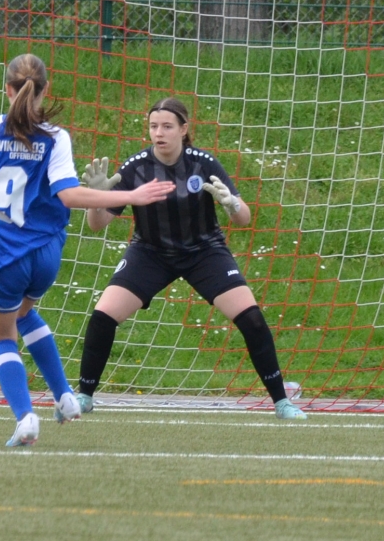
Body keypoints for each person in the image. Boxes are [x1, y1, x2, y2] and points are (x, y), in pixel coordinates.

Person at [0, 53, 173, 448]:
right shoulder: (55, 137)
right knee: (24, 313)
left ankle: (25, 418)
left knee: (1, 336)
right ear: (45, 90)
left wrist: (131, 195)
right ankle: (65, 396)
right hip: (45, 254)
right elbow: (68, 195)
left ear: (7, 89)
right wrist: (130, 195)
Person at [75, 96, 305, 419]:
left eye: (167, 126)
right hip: (150, 253)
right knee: (103, 316)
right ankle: (84, 397)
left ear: (184, 129)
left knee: (252, 319)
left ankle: (282, 402)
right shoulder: (135, 167)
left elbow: (244, 219)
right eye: (153, 126)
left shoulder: (203, 163)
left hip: (204, 252)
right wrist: (96, 199)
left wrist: (231, 203)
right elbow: (97, 225)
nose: (159, 133)